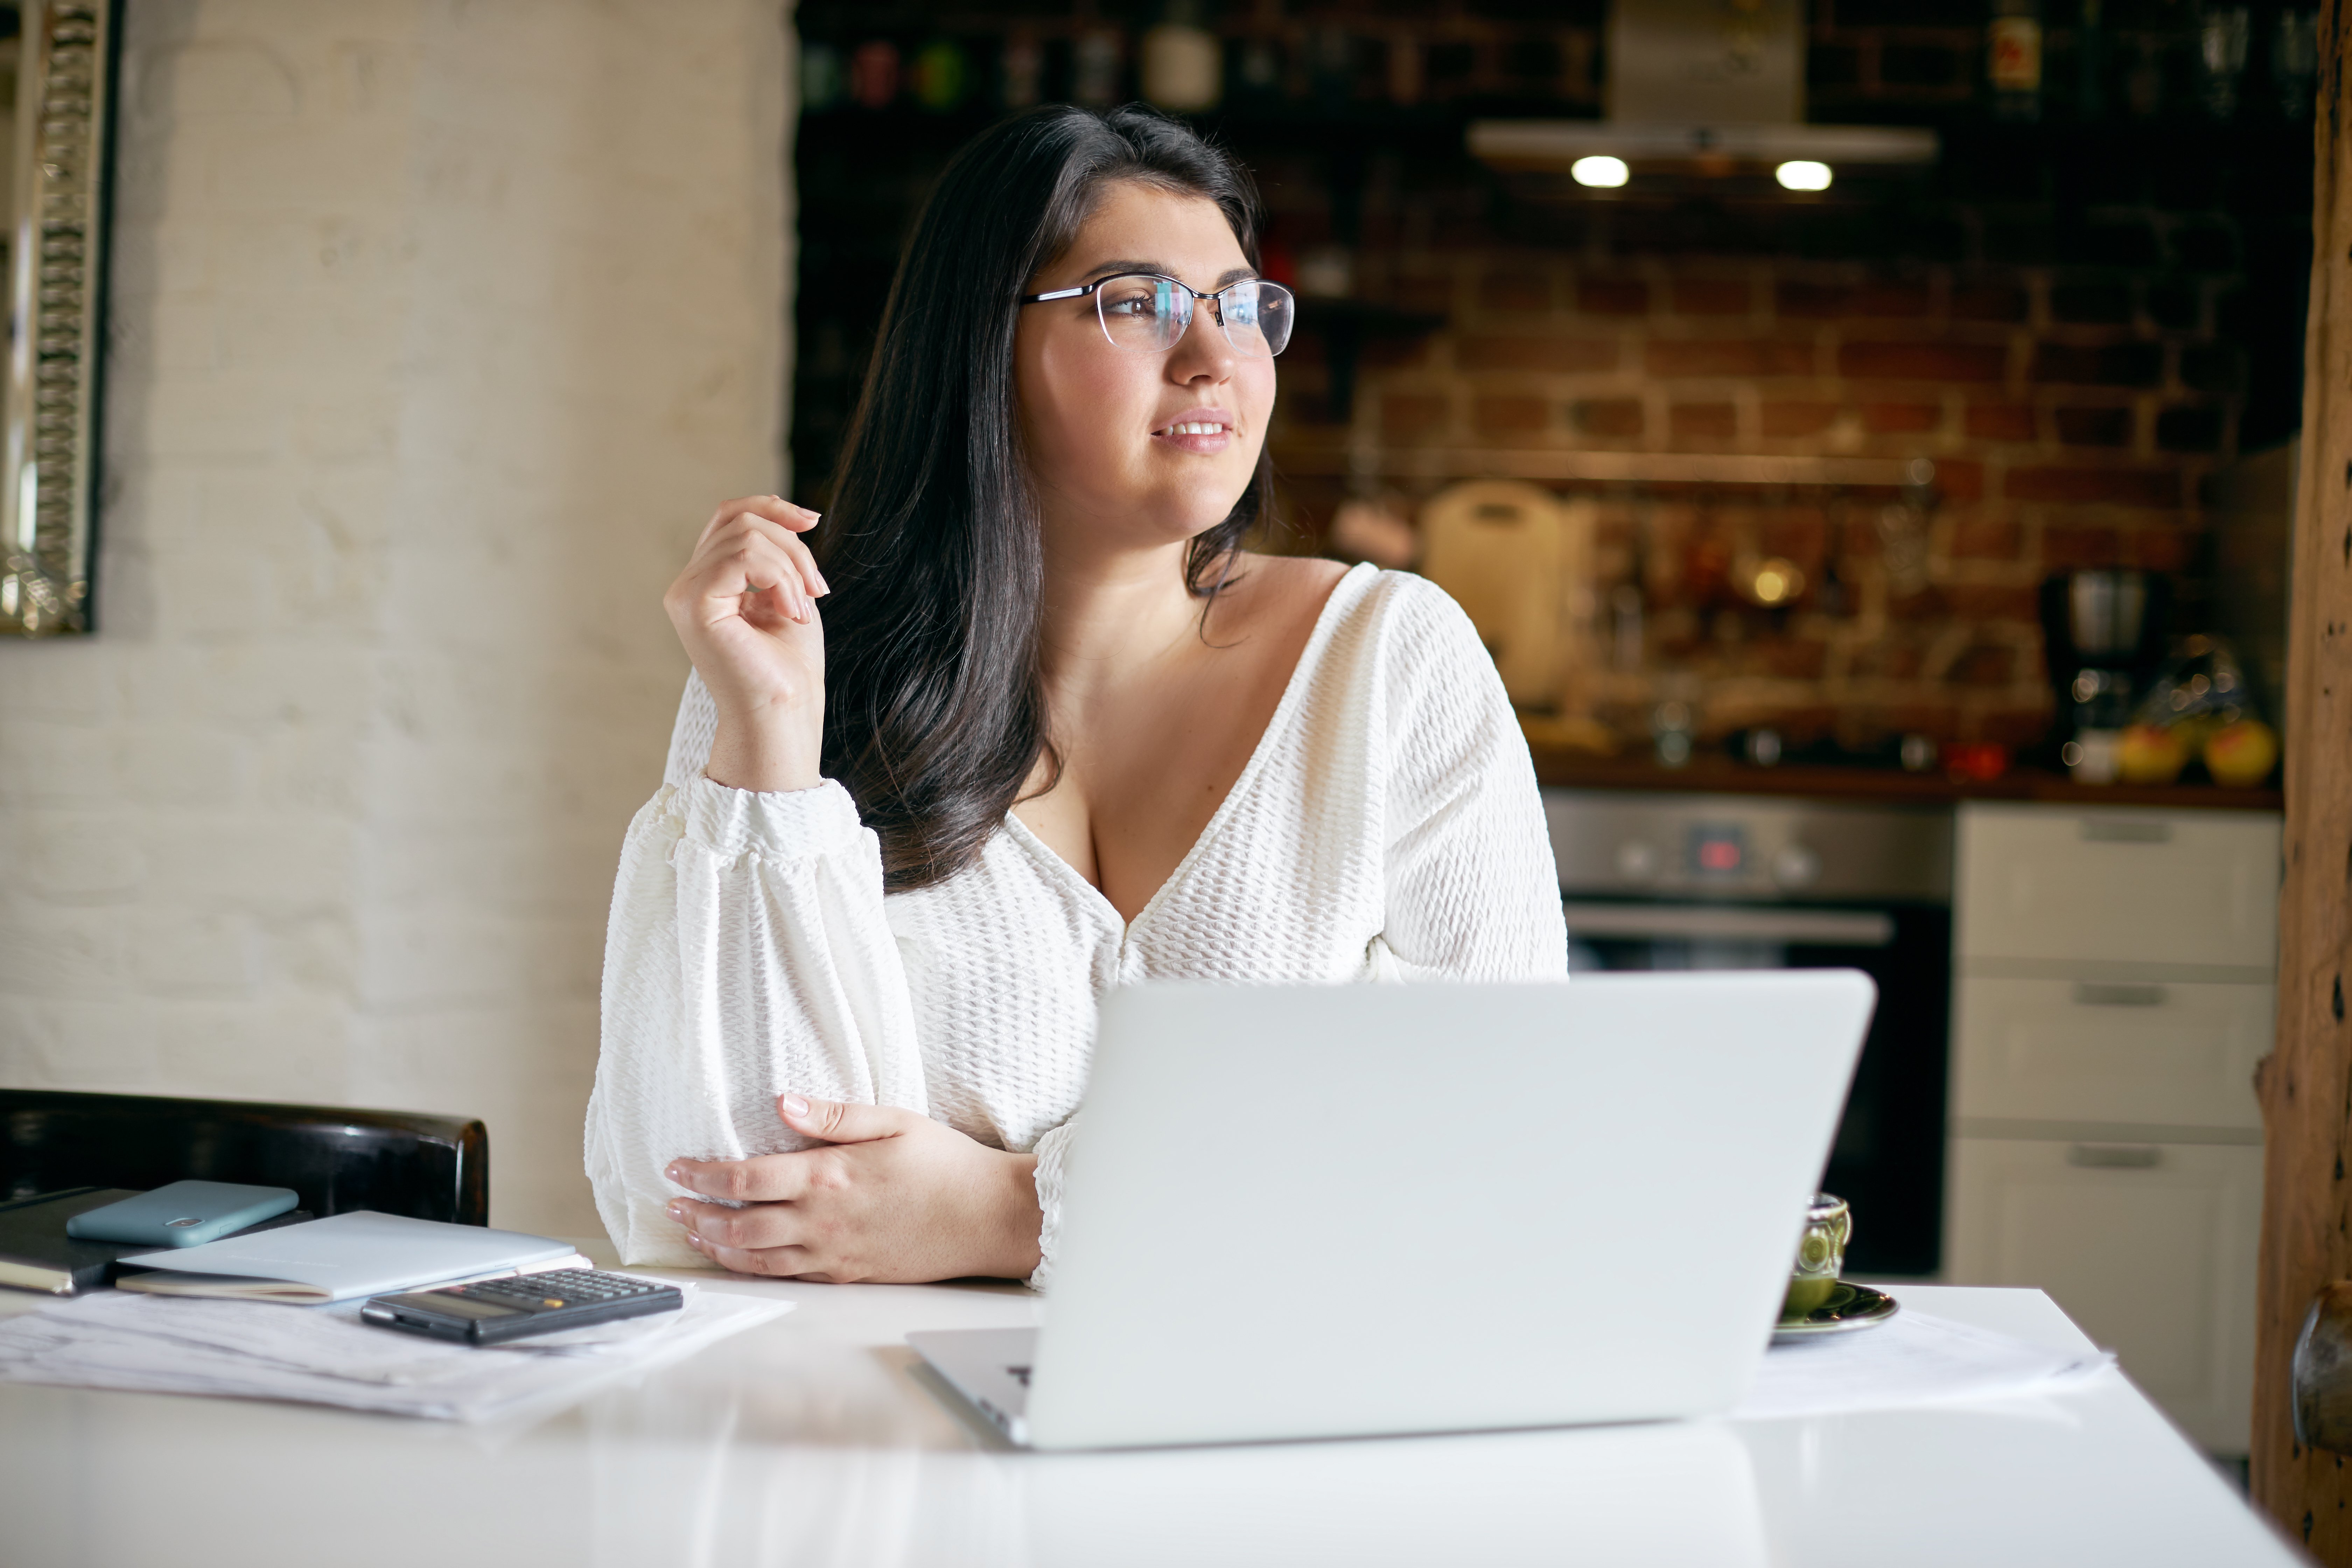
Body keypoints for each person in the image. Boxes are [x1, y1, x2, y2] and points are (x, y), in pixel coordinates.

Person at [586, 104, 1565, 1288]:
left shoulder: (1394, 665)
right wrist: (773, 746)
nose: (1213, 356)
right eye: (1137, 301)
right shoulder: (798, 666)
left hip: (1273, 1439)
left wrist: (1009, 1214)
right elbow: (720, 1190)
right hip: (872, 1431)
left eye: (1242, 305)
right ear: (979, 346)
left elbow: (1498, 1136)